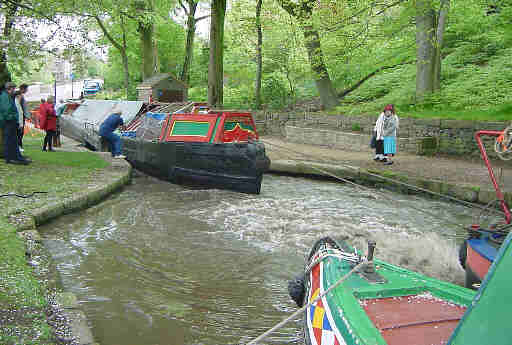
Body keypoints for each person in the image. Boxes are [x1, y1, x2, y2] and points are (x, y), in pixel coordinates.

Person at [0, 82, 29, 164]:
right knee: (9, 139)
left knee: (13, 140)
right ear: (10, 88)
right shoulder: (5, 97)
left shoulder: (7, 96)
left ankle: (15, 157)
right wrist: (12, 118)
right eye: (13, 88)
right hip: (8, 121)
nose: (14, 90)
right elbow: (7, 109)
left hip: (10, 121)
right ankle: (10, 158)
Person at [14, 84, 30, 152]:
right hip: (19, 116)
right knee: (19, 132)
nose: (27, 90)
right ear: (23, 89)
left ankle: (19, 145)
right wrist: (27, 116)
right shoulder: (19, 95)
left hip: (20, 116)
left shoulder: (19, 95)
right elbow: (22, 108)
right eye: (26, 89)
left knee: (20, 132)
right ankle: (19, 145)